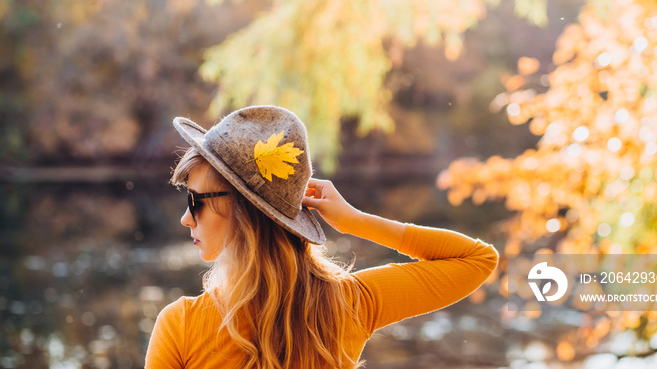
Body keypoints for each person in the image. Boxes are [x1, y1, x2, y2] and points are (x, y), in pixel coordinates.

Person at [145, 105, 498, 369]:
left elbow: (480, 260)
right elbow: (478, 259)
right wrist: (355, 220)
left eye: (195, 201)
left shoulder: (182, 325)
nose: (185, 218)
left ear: (245, 211)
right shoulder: (350, 304)